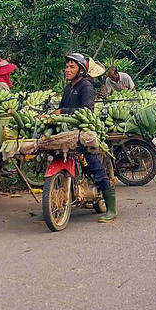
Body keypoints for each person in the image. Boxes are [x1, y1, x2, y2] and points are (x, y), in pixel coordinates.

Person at [52, 53, 116, 223]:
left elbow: (88, 110)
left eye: (71, 67)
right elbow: (60, 109)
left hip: (82, 133)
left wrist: (63, 112)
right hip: (66, 133)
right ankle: (52, 205)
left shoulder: (86, 86)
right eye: (66, 66)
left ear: (81, 70)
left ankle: (111, 208)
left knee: (94, 168)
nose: (67, 69)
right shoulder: (68, 88)